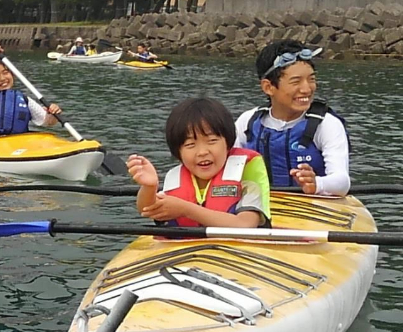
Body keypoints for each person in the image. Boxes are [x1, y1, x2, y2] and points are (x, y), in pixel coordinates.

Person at [126, 97, 270, 229]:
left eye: (212, 141)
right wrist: (149, 187)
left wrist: (186, 210)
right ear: (178, 152)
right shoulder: (176, 177)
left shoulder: (245, 175)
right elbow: (148, 209)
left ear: (228, 144)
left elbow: (245, 225)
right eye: (190, 145)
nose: (202, 152)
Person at [235, 40, 350, 196]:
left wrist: (317, 183)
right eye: (296, 81)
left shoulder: (326, 124)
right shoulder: (247, 122)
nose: (307, 89)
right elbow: (228, 170)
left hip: (313, 208)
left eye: (311, 79)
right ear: (268, 87)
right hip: (256, 207)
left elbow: (342, 182)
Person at [0, 42, 61, 135]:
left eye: (5, 72)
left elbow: (47, 121)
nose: (2, 78)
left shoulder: (23, 100)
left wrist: (53, 113)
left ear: (13, 75)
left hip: (14, 147)